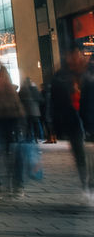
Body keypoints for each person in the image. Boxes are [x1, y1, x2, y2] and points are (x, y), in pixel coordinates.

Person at [50, 50, 90, 200]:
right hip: (73, 120)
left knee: (86, 155)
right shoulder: (61, 77)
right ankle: (86, 186)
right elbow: (55, 102)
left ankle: (89, 186)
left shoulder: (88, 74)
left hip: (86, 119)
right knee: (81, 155)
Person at [0, 66, 25, 199]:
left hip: (0, 125)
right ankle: (16, 187)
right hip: (12, 126)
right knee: (13, 156)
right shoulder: (13, 91)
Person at [20, 77, 43, 143]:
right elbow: (40, 99)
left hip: (26, 110)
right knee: (36, 124)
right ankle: (38, 137)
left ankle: (30, 138)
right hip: (35, 110)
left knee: (29, 125)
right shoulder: (34, 89)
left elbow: (20, 99)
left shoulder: (23, 89)